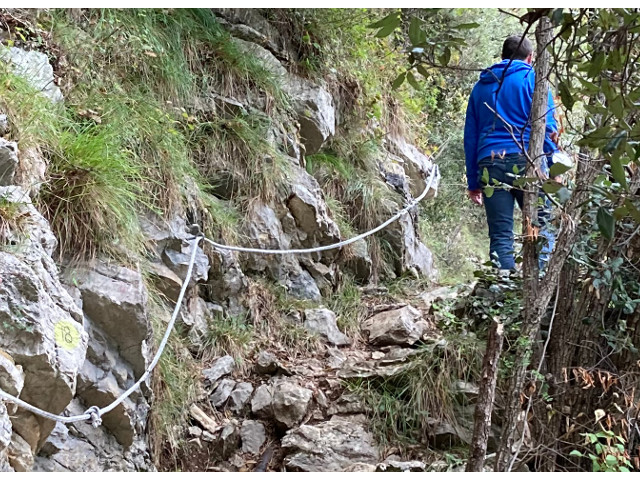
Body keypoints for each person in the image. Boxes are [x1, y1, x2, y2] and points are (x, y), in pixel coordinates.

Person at [463, 35, 559, 273]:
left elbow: (471, 137)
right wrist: (553, 166)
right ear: (530, 57)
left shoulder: (481, 87)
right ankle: (539, 284)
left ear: (502, 58)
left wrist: (474, 182)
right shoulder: (534, 80)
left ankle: (502, 288)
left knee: (500, 232)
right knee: (538, 227)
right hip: (527, 160)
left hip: (490, 163)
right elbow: (547, 128)